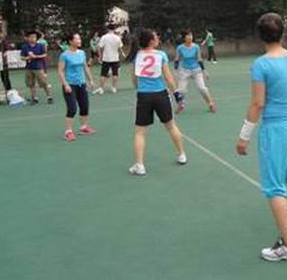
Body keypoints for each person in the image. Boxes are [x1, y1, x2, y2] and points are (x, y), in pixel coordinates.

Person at [236, 13, 287, 262]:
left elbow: (258, 103)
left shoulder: (261, 64)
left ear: (260, 36)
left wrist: (244, 136)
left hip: (277, 131)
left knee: (274, 187)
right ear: (282, 32)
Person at [129, 29, 187, 176]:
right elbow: (168, 77)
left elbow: (134, 79)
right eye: (156, 37)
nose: (158, 38)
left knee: (140, 132)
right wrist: (177, 95)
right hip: (160, 95)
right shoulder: (160, 55)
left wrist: (140, 87)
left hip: (144, 96)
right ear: (151, 41)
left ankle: (140, 165)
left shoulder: (137, 56)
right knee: (171, 126)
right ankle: (182, 154)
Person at [58, 33, 96, 142]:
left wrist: (91, 80)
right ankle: (68, 132)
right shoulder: (64, 55)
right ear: (71, 41)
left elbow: (85, 67)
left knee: (84, 107)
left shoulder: (82, 53)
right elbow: (60, 71)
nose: (79, 40)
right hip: (70, 85)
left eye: (80, 38)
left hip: (81, 84)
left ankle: (83, 127)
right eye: (77, 39)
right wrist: (65, 84)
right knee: (72, 108)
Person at [174, 30, 217, 113]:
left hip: (196, 70)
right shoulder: (180, 48)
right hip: (184, 71)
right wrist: (175, 71)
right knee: (181, 90)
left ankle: (210, 104)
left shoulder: (196, 47)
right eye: (188, 36)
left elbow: (199, 59)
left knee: (202, 88)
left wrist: (204, 71)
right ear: (184, 38)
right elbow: (177, 59)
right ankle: (181, 105)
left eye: (191, 35)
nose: (190, 37)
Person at [20, 30, 53, 104]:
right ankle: (34, 97)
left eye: (34, 37)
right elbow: (22, 57)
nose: (32, 38)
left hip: (38, 67)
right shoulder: (25, 47)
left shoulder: (40, 46)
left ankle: (49, 96)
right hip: (29, 68)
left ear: (36, 38)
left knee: (44, 83)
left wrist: (36, 56)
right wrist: (28, 57)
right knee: (31, 84)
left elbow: (44, 54)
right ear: (28, 38)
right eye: (30, 37)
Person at [92, 24, 123, 95]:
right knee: (115, 74)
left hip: (106, 59)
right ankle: (114, 88)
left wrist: (99, 56)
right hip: (115, 58)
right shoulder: (117, 38)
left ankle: (101, 88)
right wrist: (120, 55)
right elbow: (120, 47)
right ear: (114, 29)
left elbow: (99, 47)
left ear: (107, 29)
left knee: (103, 74)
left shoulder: (104, 37)